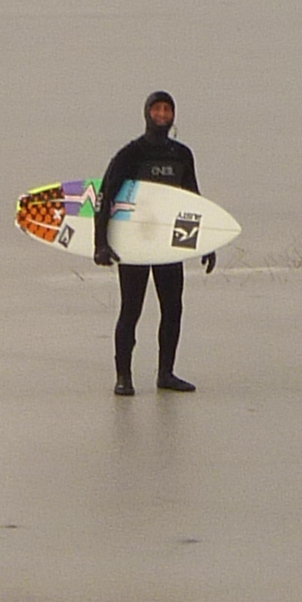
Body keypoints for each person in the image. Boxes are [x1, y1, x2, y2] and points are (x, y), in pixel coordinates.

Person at [96, 87, 198, 394]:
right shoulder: (131, 154)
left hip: (167, 245)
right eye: (157, 109)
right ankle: (123, 377)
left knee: (173, 309)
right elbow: (105, 198)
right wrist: (101, 243)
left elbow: (192, 200)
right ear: (147, 113)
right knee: (131, 310)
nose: (162, 115)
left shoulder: (181, 155)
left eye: (167, 110)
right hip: (134, 244)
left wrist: (205, 244)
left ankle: (166, 374)